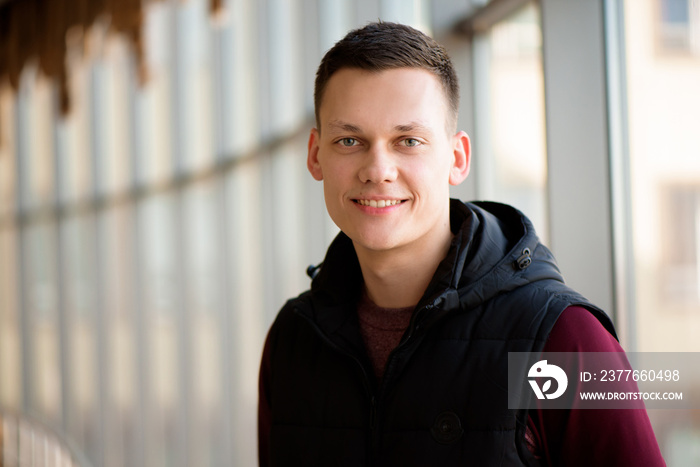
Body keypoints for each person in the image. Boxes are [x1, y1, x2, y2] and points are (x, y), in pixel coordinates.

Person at [258, 21, 665, 466]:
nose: (377, 170)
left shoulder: (563, 338)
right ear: (317, 154)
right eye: (350, 140)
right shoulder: (293, 340)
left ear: (457, 158)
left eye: (408, 141)